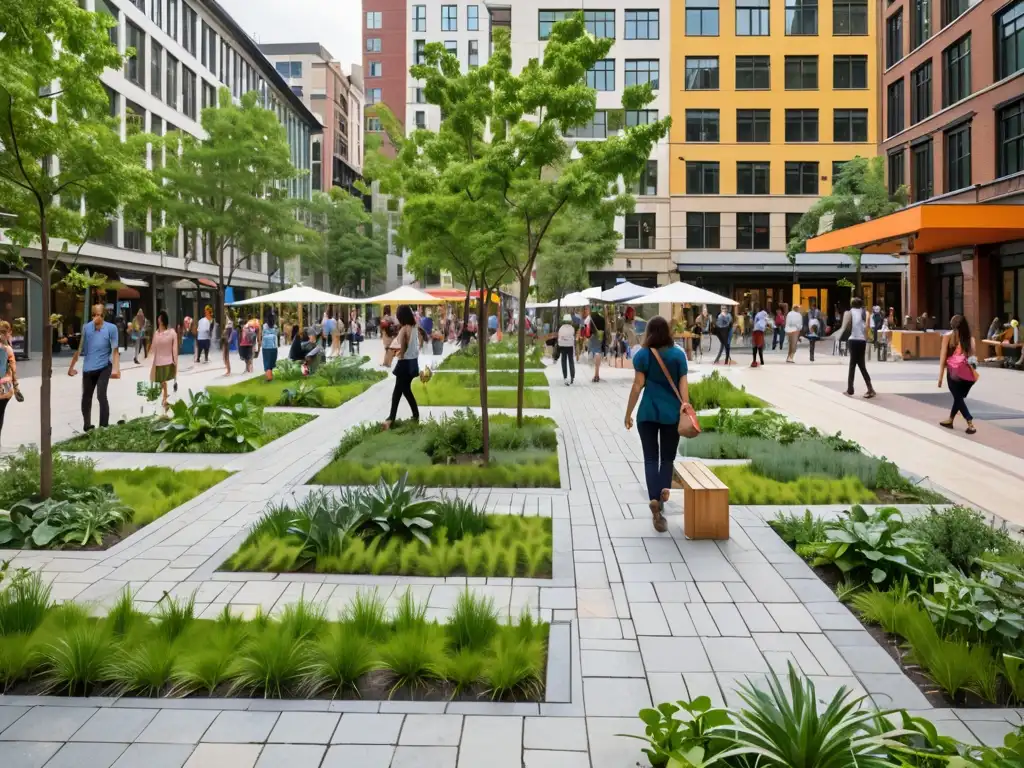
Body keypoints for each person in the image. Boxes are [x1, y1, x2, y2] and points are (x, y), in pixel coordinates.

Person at [624, 316, 690, 533]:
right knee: (667, 458)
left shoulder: (643, 355)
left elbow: (637, 386)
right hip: (672, 415)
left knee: (650, 458)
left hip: (647, 414)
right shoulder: (678, 355)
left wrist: (628, 413)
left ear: (650, 332)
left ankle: (654, 499)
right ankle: (662, 492)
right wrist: (685, 406)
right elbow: (683, 385)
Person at [68, 303, 120, 431]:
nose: (96, 318)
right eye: (94, 315)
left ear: (104, 315)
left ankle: (103, 426)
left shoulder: (111, 328)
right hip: (88, 368)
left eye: (99, 315)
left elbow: (115, 350)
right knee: (86, 396)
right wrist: (71, 367)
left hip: (104, 367)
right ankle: (87, 425)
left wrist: (116, 369)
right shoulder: (86, 328)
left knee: (101, 394)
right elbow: (80, 348)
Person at [938, 314, 978, 434]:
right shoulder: (970, 339)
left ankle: (970, 422)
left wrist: (940, 377)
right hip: (967, 375)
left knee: (958, 397)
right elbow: (973, 359)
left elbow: (943, 357)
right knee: (958, 397)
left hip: (953, 373)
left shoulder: (948, 337)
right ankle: (950, 420)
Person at [384, 305, 420, 429]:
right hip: (413, 362)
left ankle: (415, 416)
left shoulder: (404, 329)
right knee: (398, 390)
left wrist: (400, 355)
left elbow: (403, 347)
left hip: (404, 363)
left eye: (398, 316)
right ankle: (391, 417)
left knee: (405, 391)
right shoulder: (415, 328)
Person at [839, 297, 876, 398]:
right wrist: (866, 336)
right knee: (861, 365)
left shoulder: (849, 312)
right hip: (862, 341)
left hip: (853, 339)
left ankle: (851, 389)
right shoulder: (866, 313)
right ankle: (870, 388)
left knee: (852, 365)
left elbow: (844, 326)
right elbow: (869, 326)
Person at [149, 311, 178, 412]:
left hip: (164, 361)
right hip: (162, 361)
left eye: (159, 318)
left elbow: (153, 348)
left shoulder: (162, 333)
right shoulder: (160, 333)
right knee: (163, 382)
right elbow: (153, 348)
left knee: (163, 381)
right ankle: (165, 398)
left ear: (161, 321)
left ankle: (165, 399)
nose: (158, 320)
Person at [0, 321, 17, 448]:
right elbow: (13, 370)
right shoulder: (8, 349)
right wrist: (16, 386)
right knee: (0, 415)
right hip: (4, 389)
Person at [583, 307, 605, 382]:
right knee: (598, 352)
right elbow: (605, 328)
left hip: (592, 337)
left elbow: (586, 329)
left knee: (591, 352)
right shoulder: (602, 318)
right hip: (600, 336)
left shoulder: (589, 318)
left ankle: (595, 373)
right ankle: (597, 373)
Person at [557, 313, 576, 385]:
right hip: (570, 346)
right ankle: (572, 376)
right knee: (571, 360)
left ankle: (565, 377)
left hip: (563, 346)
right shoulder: (572, 328)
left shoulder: (561, 328)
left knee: (563, 361)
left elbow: (560, 337)